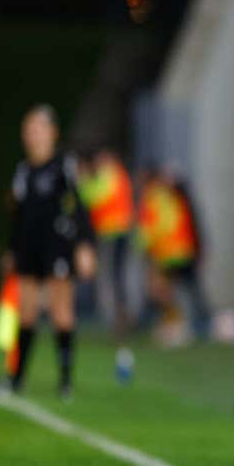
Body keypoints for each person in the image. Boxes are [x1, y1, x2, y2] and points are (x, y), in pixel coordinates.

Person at [1, 105, 96, 399]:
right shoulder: (23, 171)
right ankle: (16, 378)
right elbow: (17, 216)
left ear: (53, 133)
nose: (34, 135)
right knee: (26, 313)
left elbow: (78, 205)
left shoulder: (63, 165)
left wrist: (84, 244)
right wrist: (12, 250)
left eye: (39, 128)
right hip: (29, 248)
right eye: (29, 129)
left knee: (61, 311)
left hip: (57, 246)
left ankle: (65, 380)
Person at [76, 148, 135, 380]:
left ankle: (120, 324)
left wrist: (80, 183)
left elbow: (94, 196)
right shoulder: (116, 174)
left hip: (113, 233)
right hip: (114, 233)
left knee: (111, 280)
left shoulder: (111, 174)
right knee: (115, 280)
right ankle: (118, 323)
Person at [136, 165, 210, 346]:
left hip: (169, 252)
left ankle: (185, 325)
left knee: (168, 291)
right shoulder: (168, 195)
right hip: (178, 250)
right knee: (183, 290)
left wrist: (145, 248)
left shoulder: (155, 197)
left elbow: (152, 228)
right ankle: (188, 324)